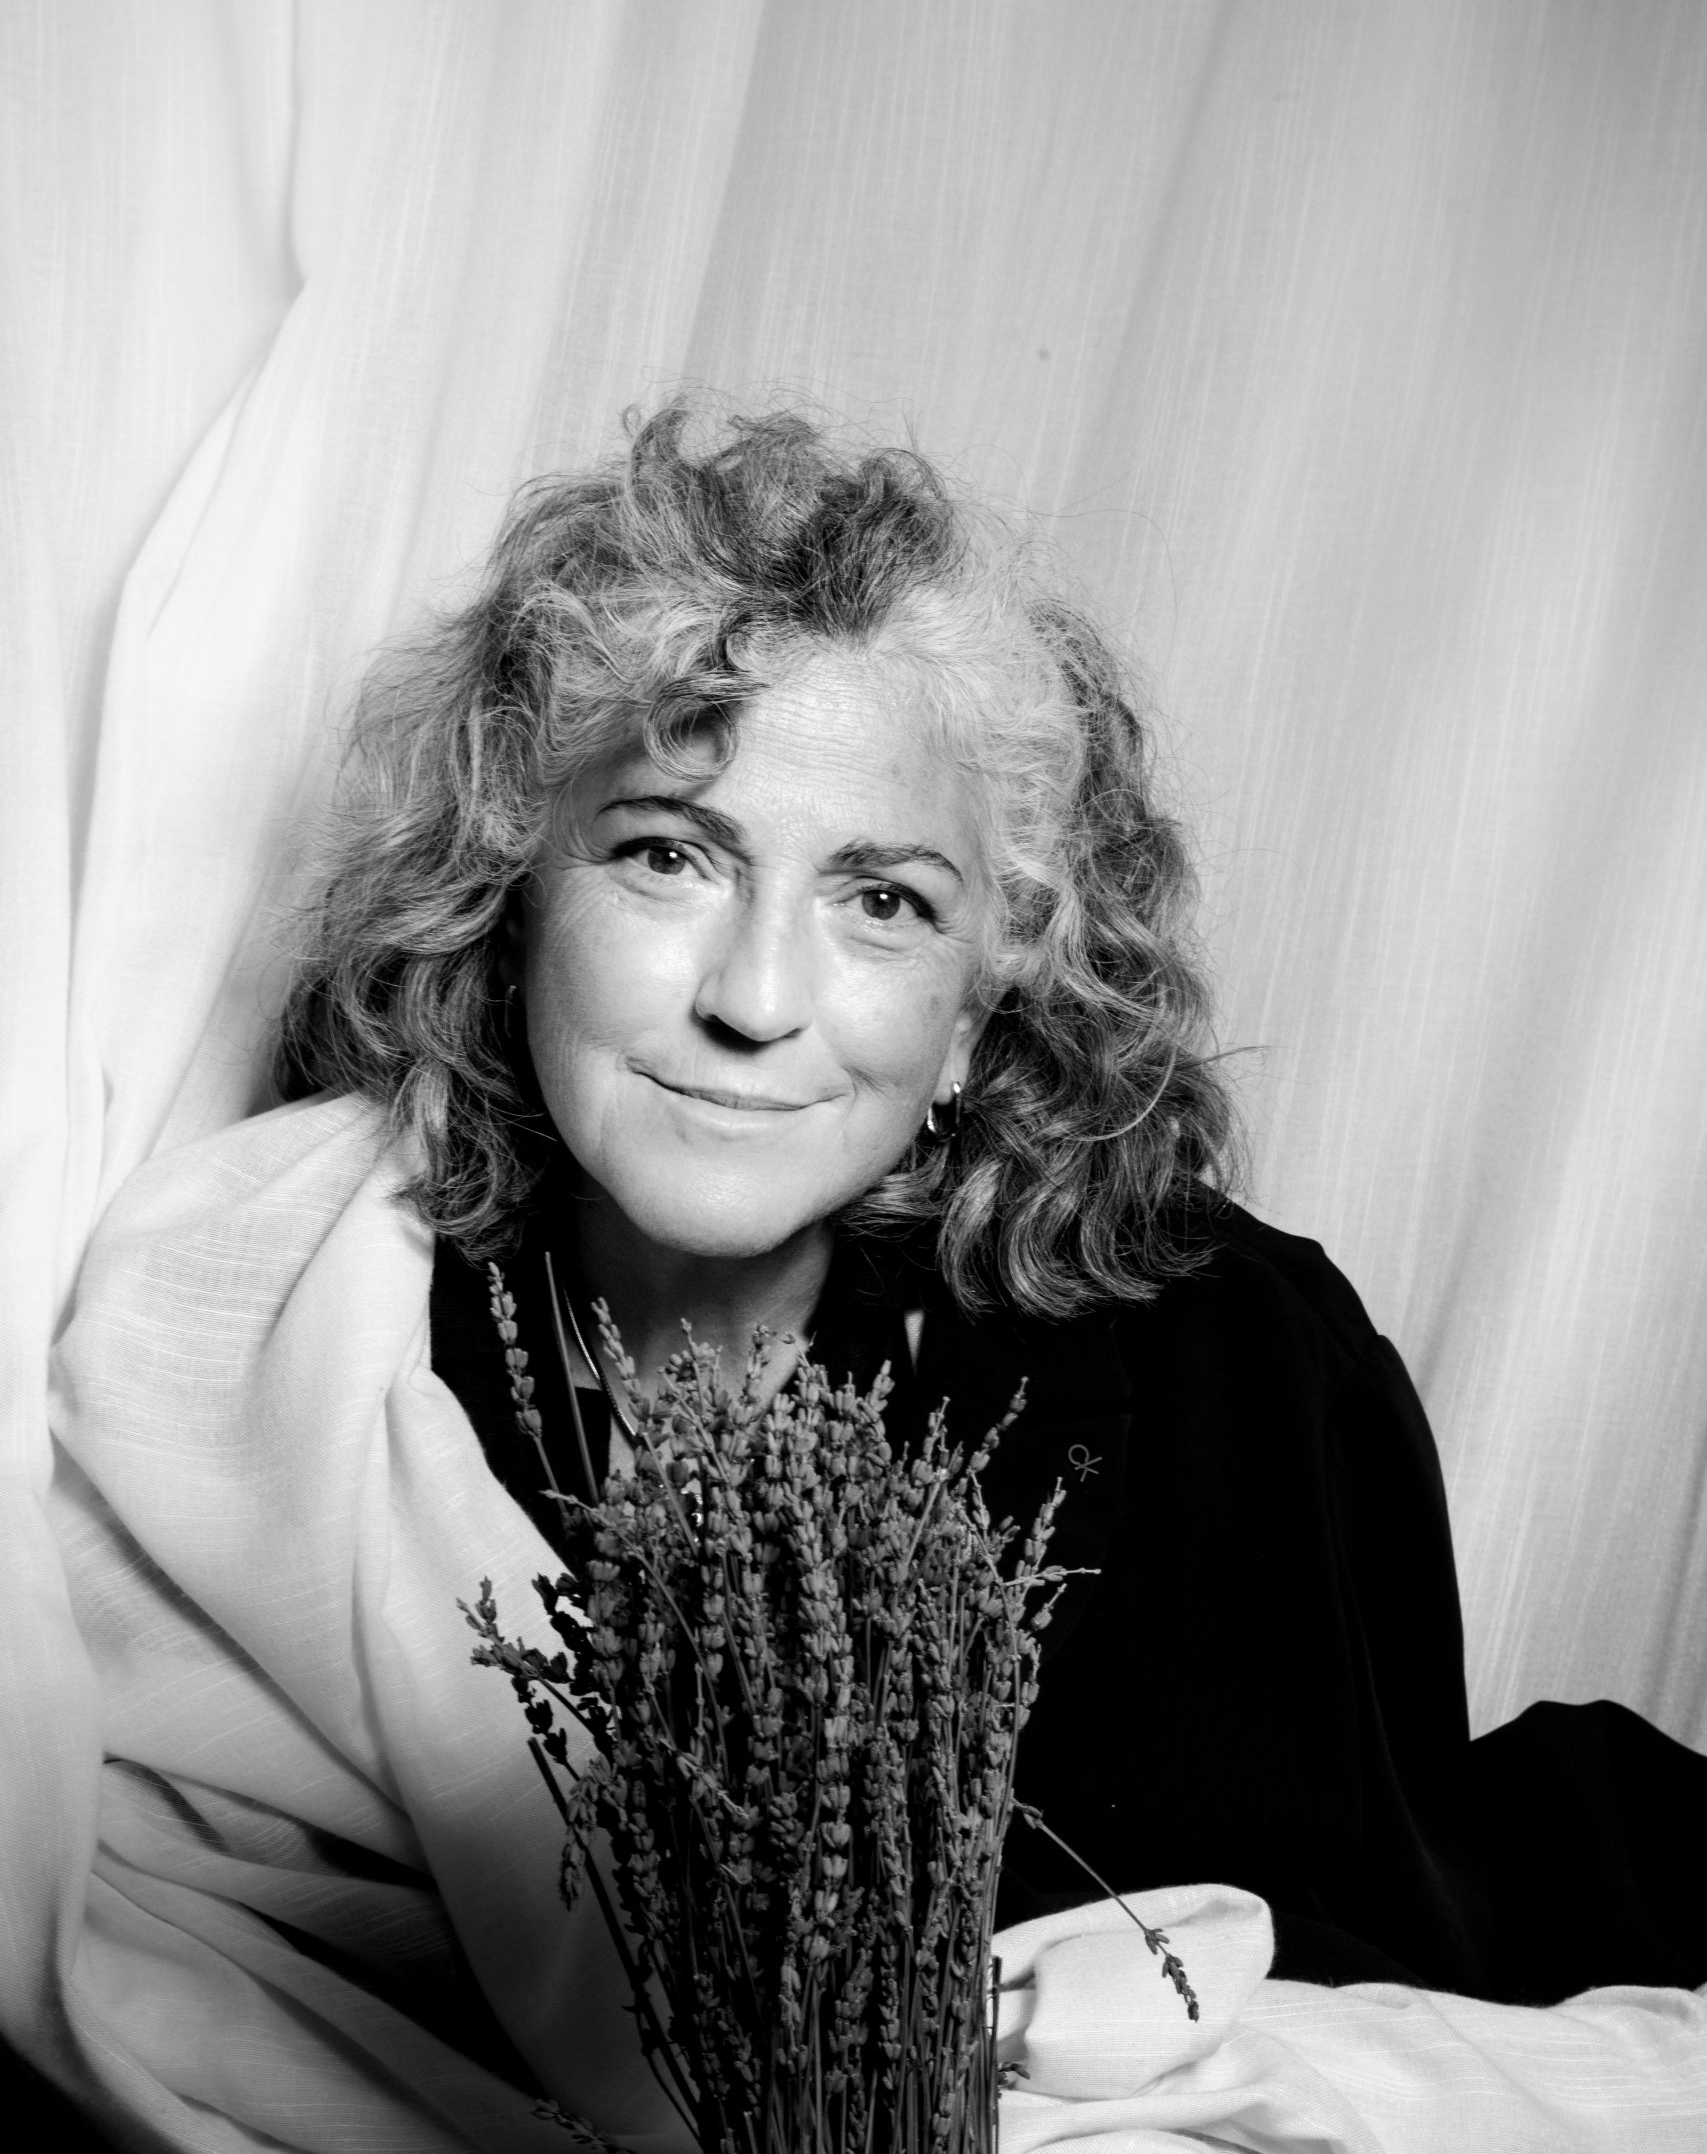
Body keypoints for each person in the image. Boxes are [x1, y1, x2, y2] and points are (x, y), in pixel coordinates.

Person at [43, 403, 1707, 2146]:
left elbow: (1325, 1996)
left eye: (884, 903)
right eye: (669, 854)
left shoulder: (1237, 1371)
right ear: (513, 891)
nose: (755, 999)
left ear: (984, 1004)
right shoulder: (297, 1321)